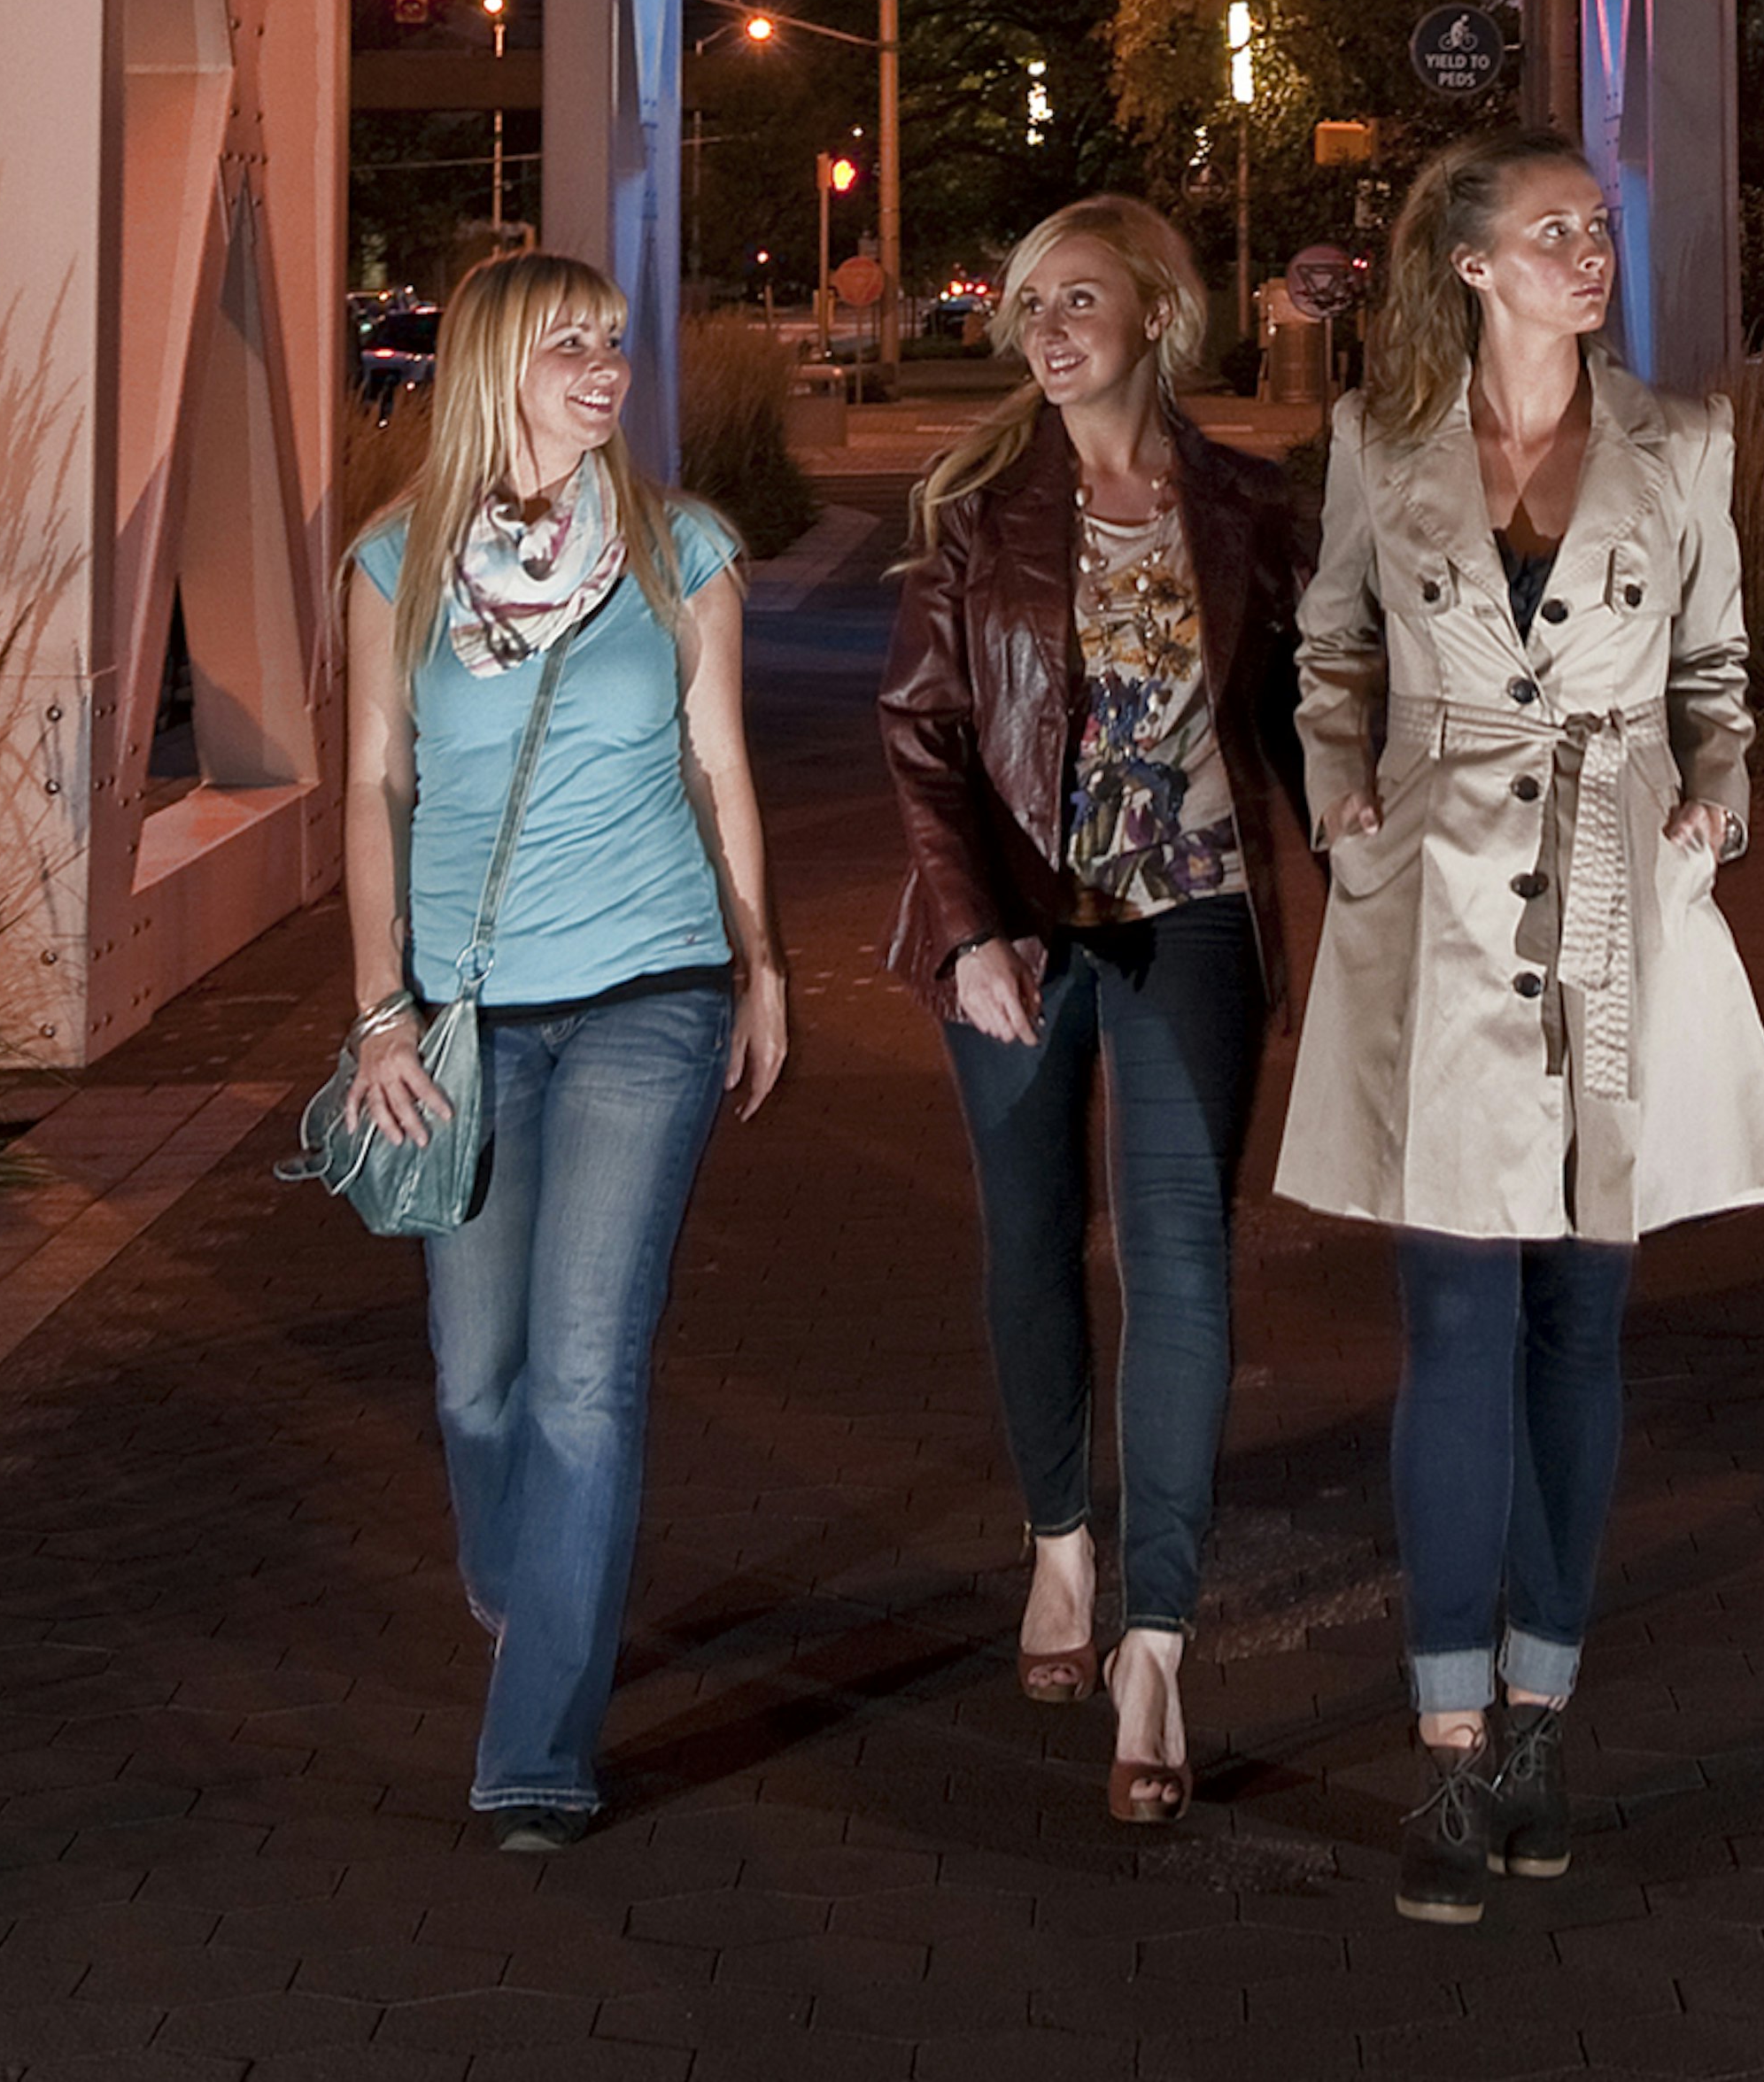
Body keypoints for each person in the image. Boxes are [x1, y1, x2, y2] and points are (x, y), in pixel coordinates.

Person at [1277, 133, 1764, 1924]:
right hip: (1430, 907)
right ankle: (1443, 1750)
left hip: (1615, 905)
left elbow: (1719, 676)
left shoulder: (1686, 447)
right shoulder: (1376, 444)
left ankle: (1539, 1721)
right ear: (1477, 265)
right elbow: (1331, 648)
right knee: (1452, 1319)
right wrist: (1338, 792)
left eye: (1602, 227)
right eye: (1558, 232)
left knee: (1579, 1319)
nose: (1595, 254)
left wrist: (1715, 803)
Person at [342, 248, 787, 1852]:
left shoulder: (683, 551)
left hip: (648, 991)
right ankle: (520, 1579)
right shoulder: (394, 565)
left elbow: (719, 761)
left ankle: (537, 1745)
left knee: (587, 1377)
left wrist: (759, 963)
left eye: (613, 343)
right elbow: (374, 794)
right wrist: (378, 1006)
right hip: (463, 1014)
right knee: (478, 1382)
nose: (606, 369)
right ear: (486, 368)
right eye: (568, 347)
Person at [877, 193, 1308, 1828]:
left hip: (1194, 921)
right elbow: (921, 734)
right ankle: (1061, 1541)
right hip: (1017, 937)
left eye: (1080, 297)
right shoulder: (979, 506)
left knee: (1183, 1258)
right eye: (1030, 303)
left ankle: (1157, 1641)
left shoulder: (1258, 509)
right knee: (1031, 1238)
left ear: (1159, 317)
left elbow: (1305, 731)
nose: (1046, 326)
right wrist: (971, 931)